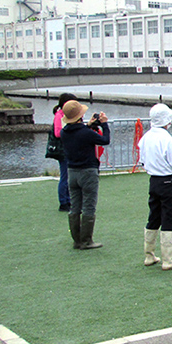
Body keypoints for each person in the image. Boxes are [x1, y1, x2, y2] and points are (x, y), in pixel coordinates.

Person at [137, 103, 172, 270]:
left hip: (154, 180)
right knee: (169, 219)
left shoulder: (146, 137)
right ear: (166, 120)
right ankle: (168, 260)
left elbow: (143, 161)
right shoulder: (167, 139)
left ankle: (149, 255)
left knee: (154, 216)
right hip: (168, 182)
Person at [60, 100, 110, 250]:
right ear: (80, 116)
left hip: (72, 172)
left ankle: (77, 240)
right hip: (88, 171)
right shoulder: (85, 133)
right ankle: (87, 240)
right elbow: (105, 140)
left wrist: (89, 125)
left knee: (75, 206)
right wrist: (104, 125)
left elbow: (77, 132)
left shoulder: (64, 132)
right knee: (89, 205)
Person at [47, 93, 76, 212]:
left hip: (68, 148)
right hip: (62, 149)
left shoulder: (64, 115)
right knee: (65, 175)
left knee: (68, 175)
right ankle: (63, 201)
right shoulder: (59, 116)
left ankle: (68, 200)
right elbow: (58, 133)